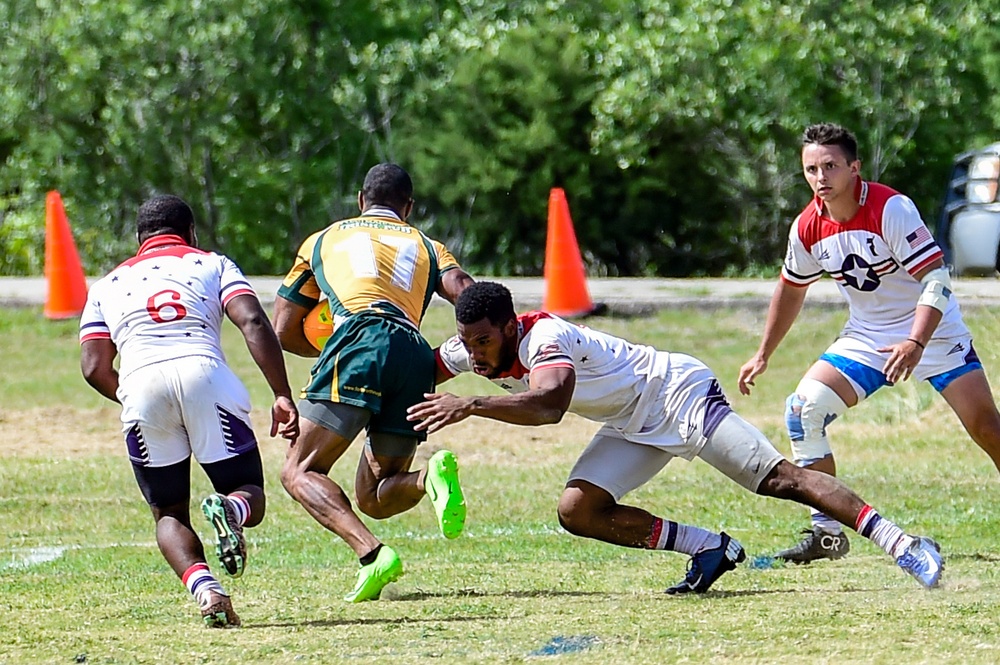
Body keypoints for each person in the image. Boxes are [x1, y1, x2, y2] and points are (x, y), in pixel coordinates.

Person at [406, 281, 944, 593]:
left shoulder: (546, 335)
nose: (473, 353)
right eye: (466, 342)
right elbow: (421, 370)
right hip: (631, 422)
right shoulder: (471, 347)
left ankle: (906, 545)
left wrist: (471, 403)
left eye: (482, 341)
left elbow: (549, 406)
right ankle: (711, 549)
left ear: (509, 327)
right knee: (577, 510)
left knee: (780, 480)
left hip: (673, 393)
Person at [738, 122, 1000, 564]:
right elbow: (791, 286)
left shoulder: (890, 208)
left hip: (931, 329)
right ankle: (827, 534)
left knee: (986, 428)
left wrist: (916, 342)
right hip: (868, 336)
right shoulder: (807, 227)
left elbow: (935, 278)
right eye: (811, 169)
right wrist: (764, 352)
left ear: (854, 168)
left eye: (831, 166)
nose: (821, 178)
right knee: (804, 410)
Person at [80, 194, 300, 628]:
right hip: (206, 377)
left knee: (169, 513)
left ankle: (207, 591)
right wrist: (281, 393)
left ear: (139, 238)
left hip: (141, 384)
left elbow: (93, 367)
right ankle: (230, 510)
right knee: (245, 488)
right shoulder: (211, 263)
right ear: (191, 233)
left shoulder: (106, 284)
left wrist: (131, 396)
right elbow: (253, 321)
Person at [272, 163, 475, 603]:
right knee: (375, 496)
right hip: (414, 353)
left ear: (361, 201)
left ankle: (372, 555)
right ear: (409, 207)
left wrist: (326, 344)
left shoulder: (323, 239)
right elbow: (466, 291)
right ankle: (429, 480)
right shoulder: (428, 244)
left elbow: (284, 329)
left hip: (359, 340)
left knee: (299, 470)